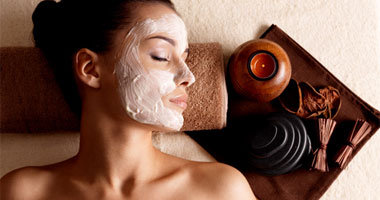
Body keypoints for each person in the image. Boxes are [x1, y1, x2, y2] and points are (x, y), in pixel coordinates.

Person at [0, 0, 256, 199]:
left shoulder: (220, 189)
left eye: (185, 58)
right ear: (90, 68)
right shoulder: (23, 192)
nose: (188, 76)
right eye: (160, 56)